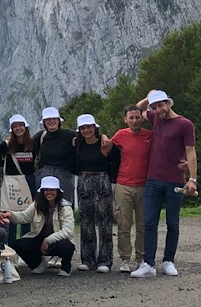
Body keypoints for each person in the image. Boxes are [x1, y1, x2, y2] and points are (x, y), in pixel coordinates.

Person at [131, 90, 197, 278]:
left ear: (168, 103)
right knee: (149, 222)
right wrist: (149, 95)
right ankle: (148, 264)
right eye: (154, 106)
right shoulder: (155, 118)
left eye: (160, 105)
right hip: (153, 180)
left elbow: (191, 152)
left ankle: (169, 261)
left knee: (172, 223)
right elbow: (139, 108)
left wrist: (193, 179)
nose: (157, 110)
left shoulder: (184, 124)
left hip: (175, 180)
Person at [74, 114, 119, 273]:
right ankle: (88, 259)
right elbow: (74, 167)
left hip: (102, 182)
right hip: (83, 182)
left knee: (105, 222)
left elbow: (115, 163)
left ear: (95, 127)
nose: (86, 130)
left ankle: (105, 261)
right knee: (85, 222)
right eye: (83, 128)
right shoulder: (77, 145)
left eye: (89, 127)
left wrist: (112, 184)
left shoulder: (105, 143)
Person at [110, 105, 152, 272]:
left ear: (142, 118)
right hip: (123, 184)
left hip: (144, 185)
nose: (134, 121)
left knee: (143, 225)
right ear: (125, 119)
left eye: (137, 117)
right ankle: (125, 259)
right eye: (131, 118)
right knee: (123, 224)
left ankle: (141, 258)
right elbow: (105, 148)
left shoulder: (150, 135)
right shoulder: (121, 135)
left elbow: (165, 150)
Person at [6, 176, 75, 276]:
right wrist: (10, 215)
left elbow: (67, 231)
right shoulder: (36, 204)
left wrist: (48, 240)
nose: (49, 192)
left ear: (57, 191)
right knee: (18, 244)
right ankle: (38, 264)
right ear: (42, 191)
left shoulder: (66, 207)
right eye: (45, 190)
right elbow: (23, 217)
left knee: (67, 246)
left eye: (52, 189)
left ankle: (66, 266)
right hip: (39, 237)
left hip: (57, 240)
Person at [0, 114, 36, 239]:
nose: (18, 128)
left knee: (27, 213)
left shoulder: (33, 143)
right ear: (12, 129)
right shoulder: (6, 145)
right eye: (15, 126)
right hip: (12, 183)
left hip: (28, 180)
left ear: (26, 127)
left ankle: (24, 244)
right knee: (11, 214)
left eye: (21, 125)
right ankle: (12, 244)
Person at [32, 107, 77, 206]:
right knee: (43, 206)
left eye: (54, 119)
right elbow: (25, 144)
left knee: (65, 206)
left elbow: (88, 137)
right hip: (44, 176)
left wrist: (103, 137)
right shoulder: (40, 136)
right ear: (44, 122)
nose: (51, 121)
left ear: (58, 120)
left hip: (63, 177)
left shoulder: (70, 135)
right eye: (48, 119)